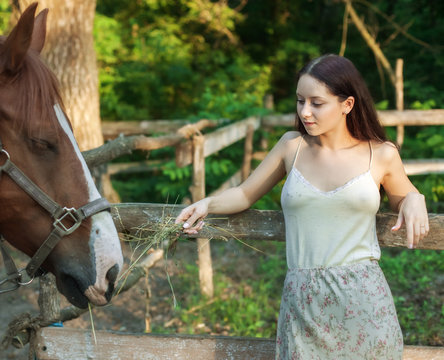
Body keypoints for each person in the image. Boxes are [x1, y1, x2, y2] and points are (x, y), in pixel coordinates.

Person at [175, 54, 429, 359]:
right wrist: (208, 202)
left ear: (347, 104)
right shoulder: (291, 147)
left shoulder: (381, 154)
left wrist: (415, 198)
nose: (305, 112)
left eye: (316, 103)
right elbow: (244, 194)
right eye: (299, 101)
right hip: (303, 300)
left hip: (363, 300)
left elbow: (404, 197)